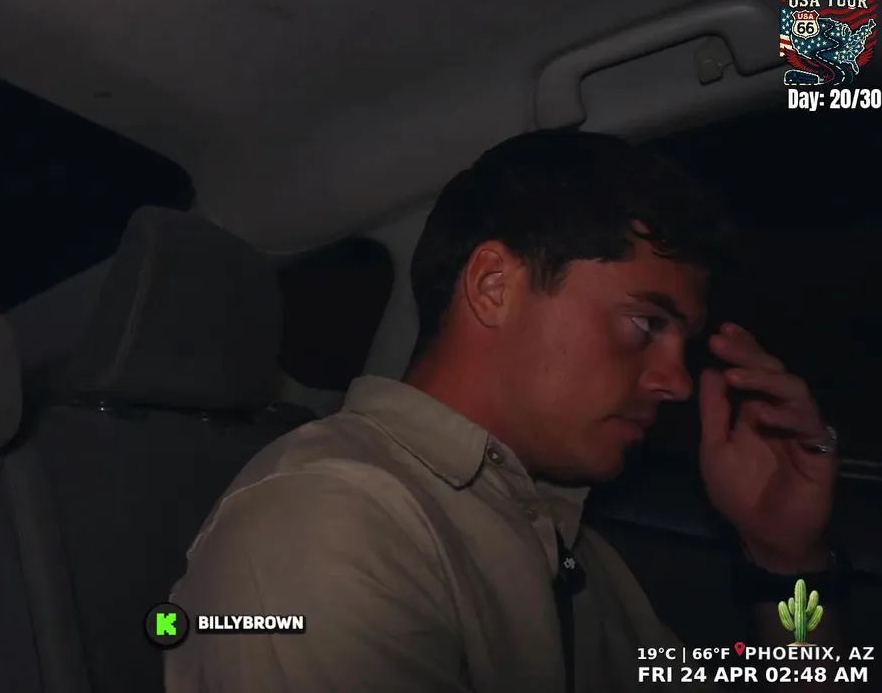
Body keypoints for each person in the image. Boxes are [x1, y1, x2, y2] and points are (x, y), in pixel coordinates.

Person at [163, 130, 851, 692]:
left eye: (683, 344)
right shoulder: (327, 519)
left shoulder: (562, 534)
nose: (676, 382)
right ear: (494, 287)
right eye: (646, 324)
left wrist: (785, 565)